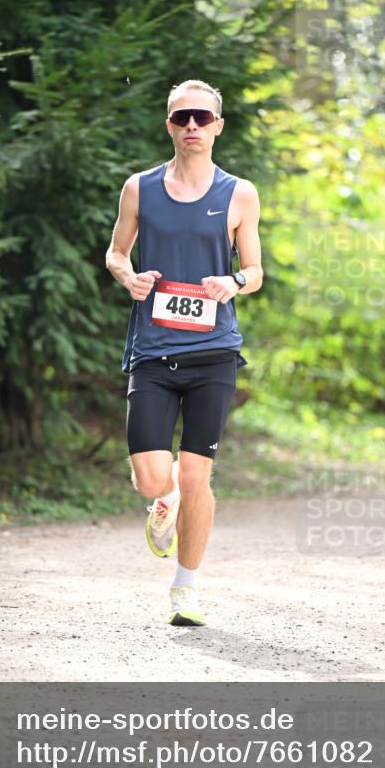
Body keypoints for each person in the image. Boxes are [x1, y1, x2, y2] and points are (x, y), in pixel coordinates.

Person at [105, 79, 262, 626]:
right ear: (168, 125)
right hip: (153, 350)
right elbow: (115, 252)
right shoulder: (139, 189)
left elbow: (257, 271)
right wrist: (129, 276)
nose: (191, 126)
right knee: (153, 478)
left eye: (201, 118)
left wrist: (233, 280)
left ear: (218, 125)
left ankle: (185, 591)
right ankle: (162, 498)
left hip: (214, 353)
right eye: (181, 118)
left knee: (198, 476)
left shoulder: (239, 193)